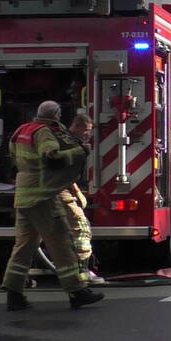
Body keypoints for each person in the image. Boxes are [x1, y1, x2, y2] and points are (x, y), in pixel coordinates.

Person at [0, 100, 104, 310]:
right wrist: (80, 151)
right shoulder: (45, 132)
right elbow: (52, 158)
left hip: (23, 196)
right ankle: (76, 291)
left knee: (23, 246)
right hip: (43, 196)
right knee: (61, 242)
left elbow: (13, 156)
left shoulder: (21, 130)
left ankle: (14, 294)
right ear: (56, 115)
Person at [55, 113, 104, 285]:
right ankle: (82, 273)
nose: (87, 135)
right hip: (59, 191)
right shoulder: (70, 144)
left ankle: (22, 277)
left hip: (45, 192)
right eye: (86, 131)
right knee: (82, 229)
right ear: (77, 126)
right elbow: (65, 172)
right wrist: (76, 192)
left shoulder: (60, 139)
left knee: (34, 237)